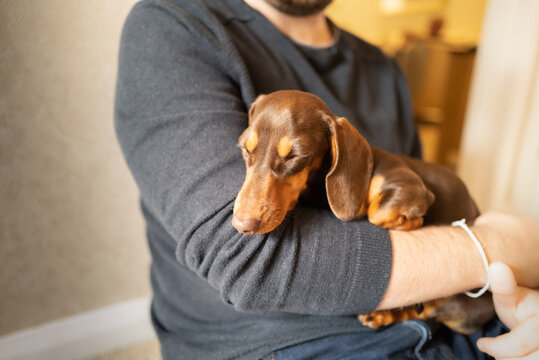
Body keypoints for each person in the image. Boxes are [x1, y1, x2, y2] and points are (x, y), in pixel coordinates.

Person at [114, 0, 539, 358]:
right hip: (292, 343)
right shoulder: (174, 27)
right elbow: (251, 260)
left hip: (454, 323)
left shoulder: (383, 69)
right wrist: (505, 247)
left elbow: (421, 225)